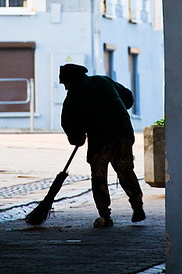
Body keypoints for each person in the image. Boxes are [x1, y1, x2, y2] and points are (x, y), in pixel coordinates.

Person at [60, 63, 146, 228]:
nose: (65, 88)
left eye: (64, 84)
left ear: (70, 81)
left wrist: (77, 138)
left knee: (99, 175)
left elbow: (69, 123)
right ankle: (137, 206)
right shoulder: (103, 80)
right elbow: (127, 98)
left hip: (100, 138)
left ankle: (105, 216)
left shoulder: (73, 95)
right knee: (125, 169)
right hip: (123, 131)